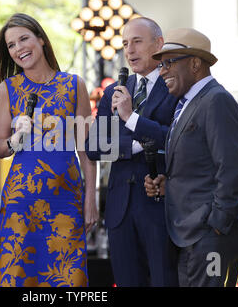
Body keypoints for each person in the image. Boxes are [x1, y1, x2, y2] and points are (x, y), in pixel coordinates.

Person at [144, 28, 238, 287]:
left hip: (212, 235)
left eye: (169, 62)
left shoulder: (216, 100)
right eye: (160, 64)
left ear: (195, 64)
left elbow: (232, 169)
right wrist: (168, 183)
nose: (162, 70)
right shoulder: (190, 103)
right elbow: (202, 165)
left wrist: (217, 226)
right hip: (195, 233)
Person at [0, 13, 98, 287]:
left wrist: (90, 200)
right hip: (21, 202)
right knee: (19, 277)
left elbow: (86, 149)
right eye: (11, 45)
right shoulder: (7, 89)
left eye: (23, 39)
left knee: (68, 279)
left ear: (41, 40)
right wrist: (16, 139)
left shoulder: (75, 85)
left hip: (66, 200)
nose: (18, 49)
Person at [85, 17, 178, 286]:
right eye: (125, 43)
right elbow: (94, 147)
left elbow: (174, 137)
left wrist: (130, 119)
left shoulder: (173, 85)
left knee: (164, 279)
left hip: (158, 206)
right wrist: (138, 144)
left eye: (137, 41)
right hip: (120, 208)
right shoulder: (114, 90)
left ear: (158, 44)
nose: (130, 50)